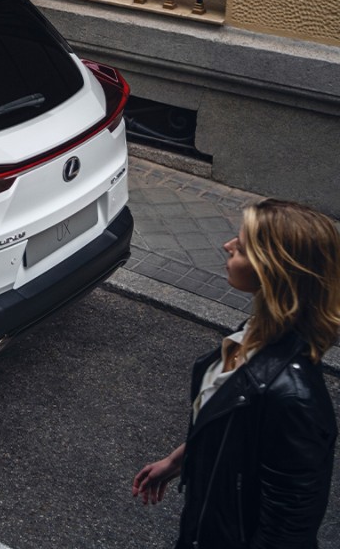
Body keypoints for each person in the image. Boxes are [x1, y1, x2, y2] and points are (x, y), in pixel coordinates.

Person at [132, 198, 340, 548]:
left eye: (241, 248)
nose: (227, 246)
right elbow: (232, 426)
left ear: (273, 271)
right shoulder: (256, 332)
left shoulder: (296, 399)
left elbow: (288, 533)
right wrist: (179, 460)